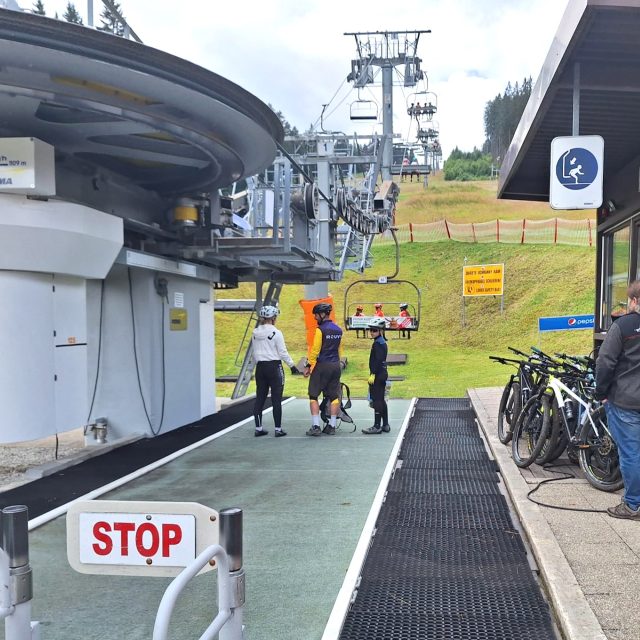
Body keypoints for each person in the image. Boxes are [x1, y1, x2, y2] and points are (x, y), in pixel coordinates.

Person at [595, 280, 640, 520]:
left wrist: (601, 393)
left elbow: (605, 362)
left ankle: (633, 505)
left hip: (626, 401)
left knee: (631, 453)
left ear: (634, 300)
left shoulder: (623, 326)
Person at [251, 305, 299, 438]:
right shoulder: (276, 333)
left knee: (260, 397)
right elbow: (282, 352)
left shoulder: (255, 333)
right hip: (274, 367)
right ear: (273, 318)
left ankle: (258, 428)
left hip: (260, 368)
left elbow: (254, 352)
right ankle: (278, 429)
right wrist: (292, 366)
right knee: (276, 399)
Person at [304, 302, 344, 436]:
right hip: (336, 365)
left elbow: (315, 349)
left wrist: (309, 365)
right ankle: (332, 426)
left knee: (313, 395)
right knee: (334, 396)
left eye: (316, 315)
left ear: (322, 314)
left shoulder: (320, 330)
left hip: (323, 365)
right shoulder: (338, 330)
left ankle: (316, 426)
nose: (315, 317)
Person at [362, 318, 390, 434]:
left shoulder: (378, 344)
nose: (371, 332)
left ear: (380, 331)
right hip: (381, 373)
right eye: (371, 330)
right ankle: (385, 424)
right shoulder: (381, 342)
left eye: (374, 330)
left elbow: (377, 361)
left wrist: (373, 374)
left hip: (377, 374)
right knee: (381, 399)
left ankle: (377, 426)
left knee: (377, 400)